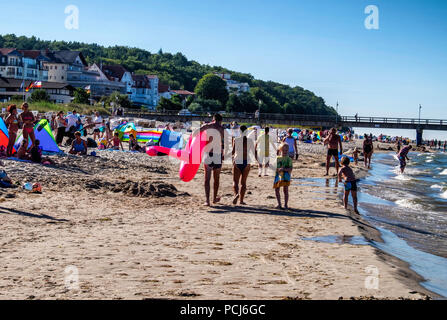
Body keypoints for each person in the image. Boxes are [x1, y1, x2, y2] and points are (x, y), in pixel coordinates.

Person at [198, 114, 225, 206]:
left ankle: (207, 201)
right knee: (216, 178)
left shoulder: (209, 126)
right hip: (218, 154)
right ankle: (214, 198)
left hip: (208, 153)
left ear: (213, 119)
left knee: (207, 179)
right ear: (221, 120)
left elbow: (199, 130)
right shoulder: (222, 129)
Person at [232, 125, 255, 205]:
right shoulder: (250, 141)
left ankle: (236, 194)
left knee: (235, 181)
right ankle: (241, 200)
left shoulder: (236, 140)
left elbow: (233, 152)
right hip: (246, 162)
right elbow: (254, 152)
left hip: (238, 161)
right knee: (243, 183)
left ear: (239, 131)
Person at [273, 143, 293, 209]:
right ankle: (279, 204)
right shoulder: (277, 158)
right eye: (283, 150)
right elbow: (273, 167)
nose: (285, 152)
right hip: (278, 176)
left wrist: (284, 169)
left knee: (285, 190)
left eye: (286, 150)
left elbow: (290, 169)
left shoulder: (289, 159)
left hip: (286, 176)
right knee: (276, 190)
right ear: (280, 150)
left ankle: (286, 204)